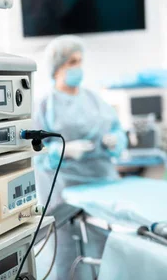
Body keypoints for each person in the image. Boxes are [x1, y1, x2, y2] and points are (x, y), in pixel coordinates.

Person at [33, 35, 127, 279]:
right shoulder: (45, 105)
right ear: (57, 67)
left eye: (79, 61)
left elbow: (117, 130)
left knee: (104, 251)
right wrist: (61, 152)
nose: (78, 68)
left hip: (101, 182)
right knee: (68, 254)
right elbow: (34, 152)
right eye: (71, 62)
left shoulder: (94, 99)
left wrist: (116, 141)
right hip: (64, 190)